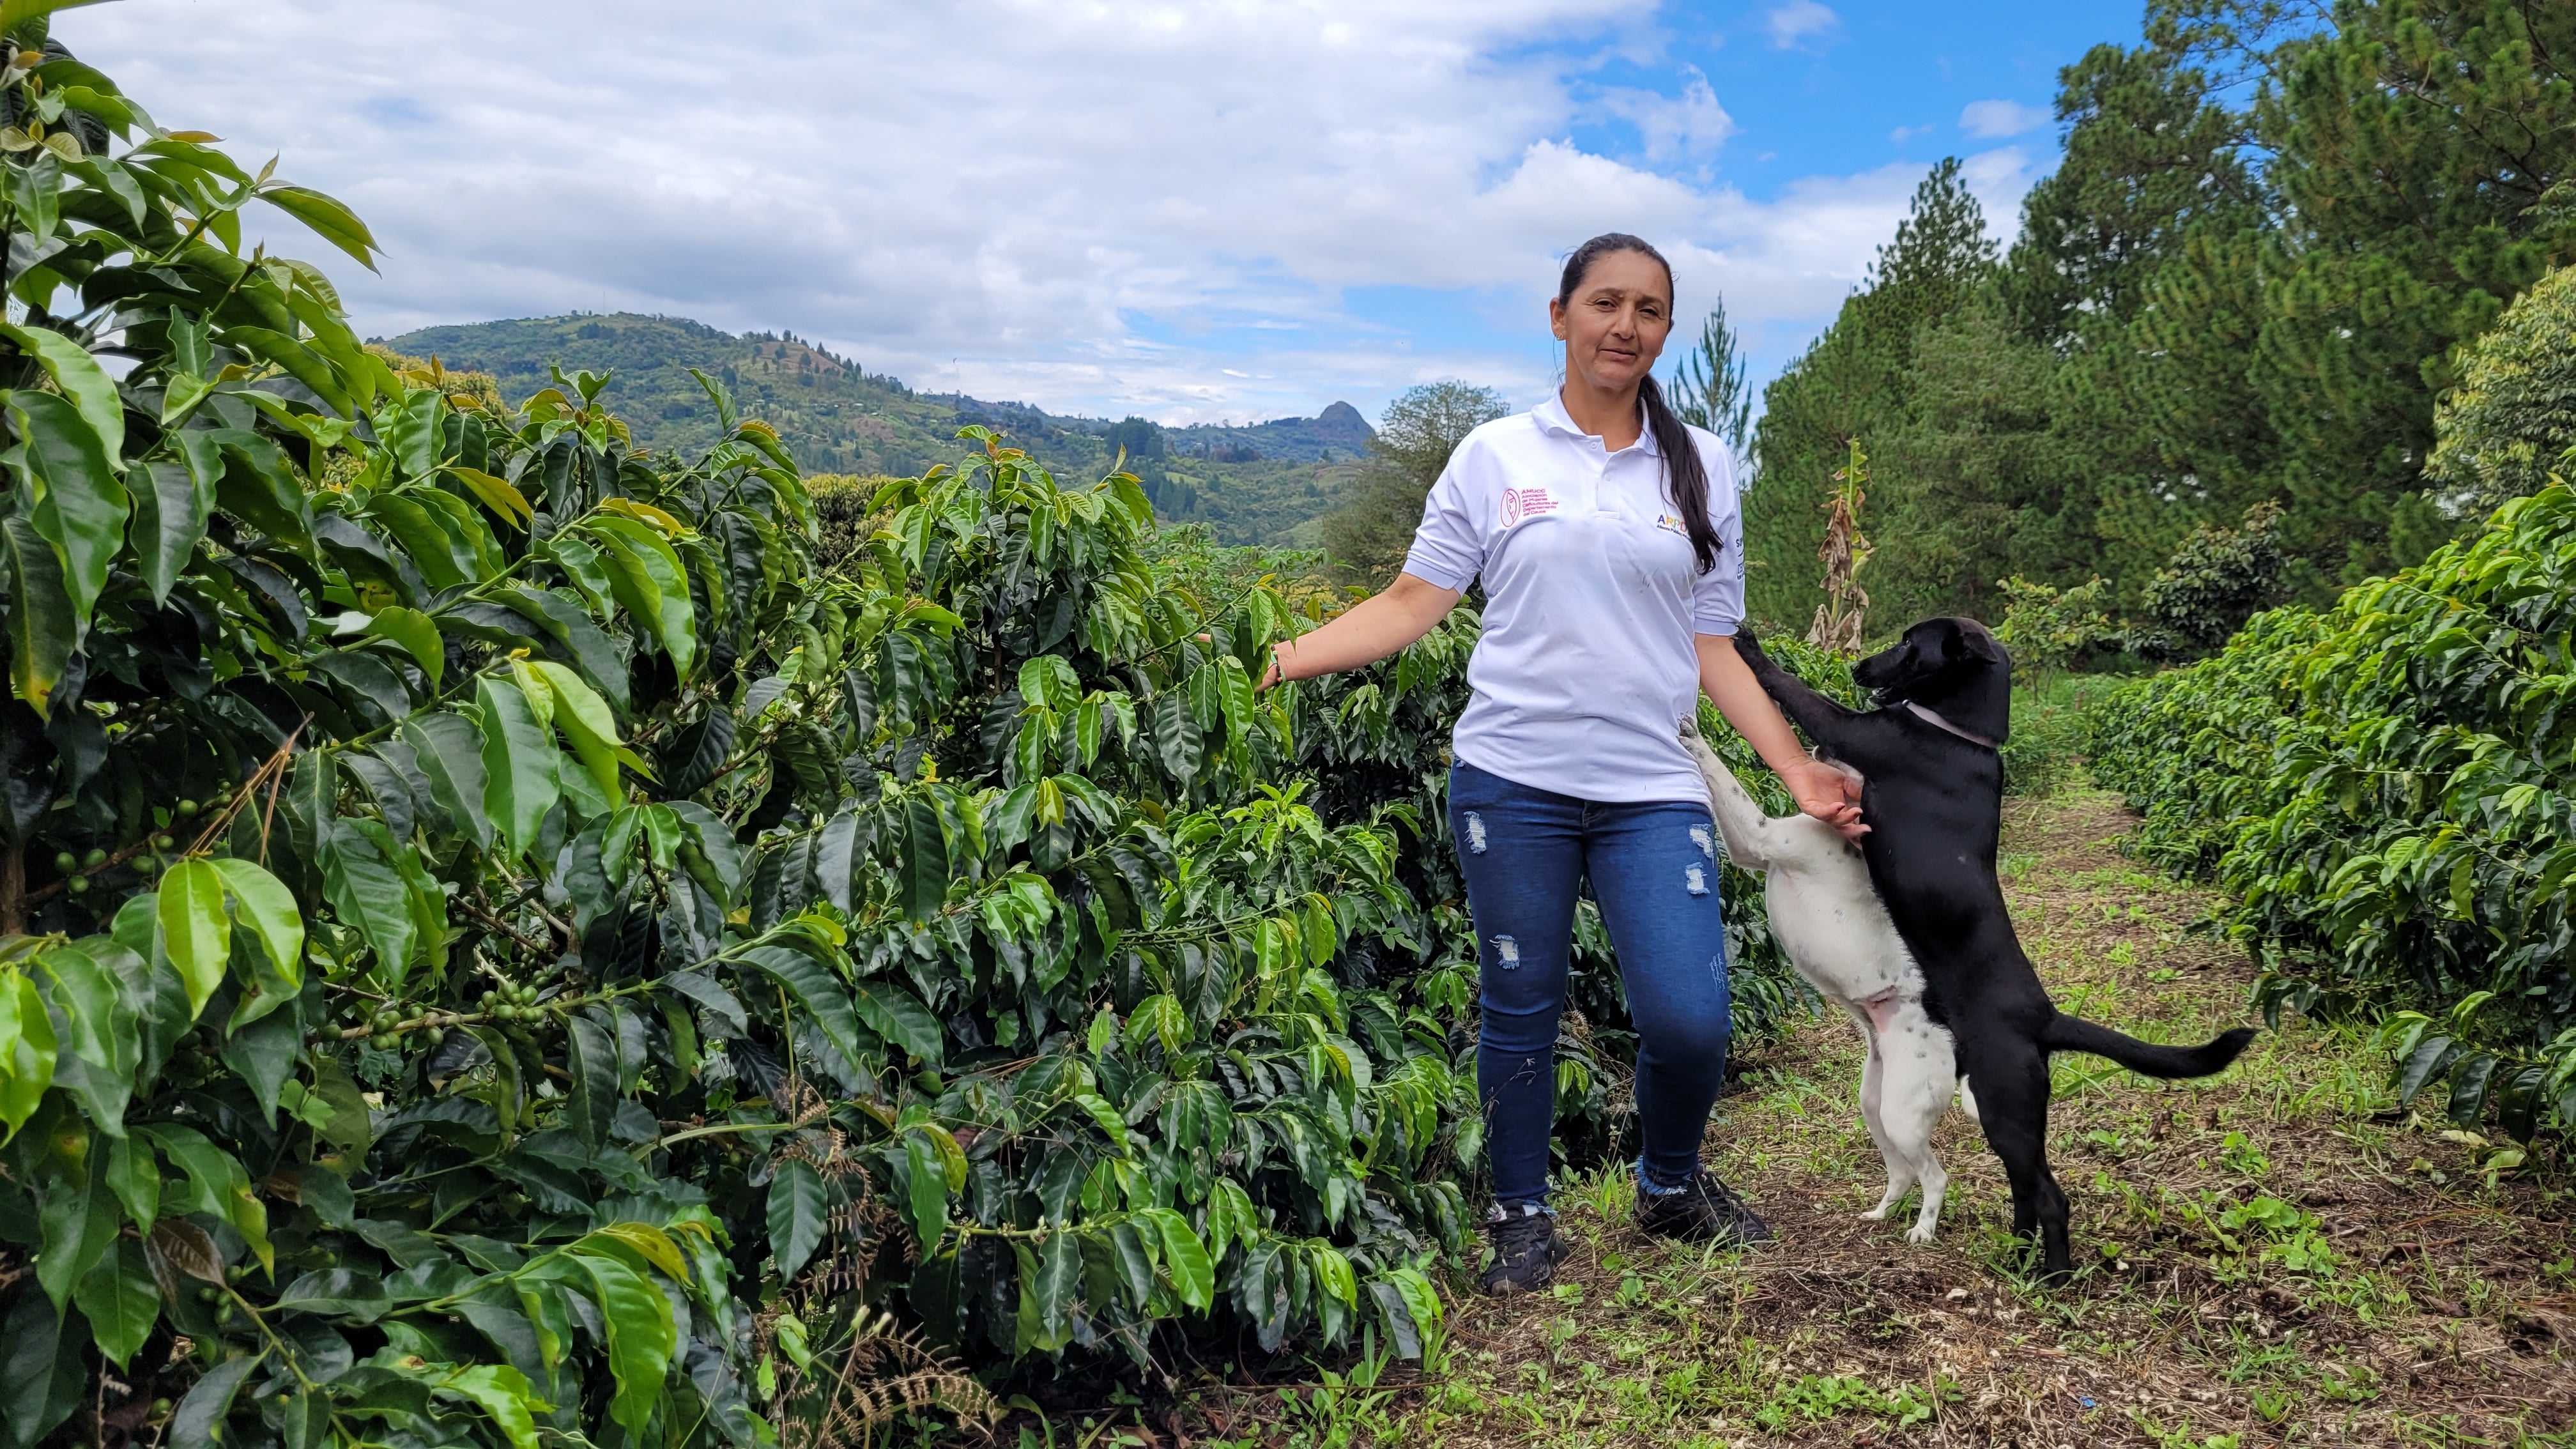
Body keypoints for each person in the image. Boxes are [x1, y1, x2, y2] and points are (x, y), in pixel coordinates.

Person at [1257, 233, 1867, 1294]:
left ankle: (1669, 1184)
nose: (1626, 327)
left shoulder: (1702, 465)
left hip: (1650, 788)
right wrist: (1283, 658)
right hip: (1512, 779)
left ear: (1665, 332)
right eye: (1606, 304)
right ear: (1560, 316)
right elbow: (1413, 603)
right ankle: (1520, 1209)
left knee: (1689, 1017)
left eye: (1650, 311)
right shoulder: (1495, 456)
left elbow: (1712, 644)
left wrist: (1794, 772)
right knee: (1521, 1000)